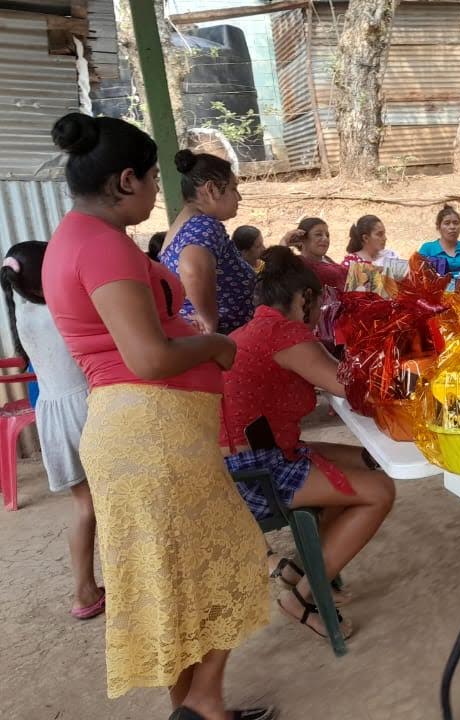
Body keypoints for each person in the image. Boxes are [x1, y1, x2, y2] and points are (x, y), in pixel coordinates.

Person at [43, 113, 271, 718]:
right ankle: (202, 703)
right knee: (236, 556)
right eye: (148, 180)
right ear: (125, 180)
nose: (153, 195)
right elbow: (147, 358)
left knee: (177, 583)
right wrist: (216, 346)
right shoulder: (102, 245)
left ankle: (198, 710)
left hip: (143, 430)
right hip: (150, 432)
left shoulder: (78, 237)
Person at [222, 247, 396, 641]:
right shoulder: (283, 333)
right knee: (379, 491)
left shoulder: (261, 328)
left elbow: (337, 373)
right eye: (320, 303)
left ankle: (306, 569)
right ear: (304, 299)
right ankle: (301, 598)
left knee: (372, 461)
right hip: (252, 470)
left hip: (258, 455)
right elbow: (350, 387)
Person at [2, 241, 102, 620]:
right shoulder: (62, 311)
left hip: (53, 413)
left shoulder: (23, 314)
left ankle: (84, 592)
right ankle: (113, 587)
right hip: (84, 409)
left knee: (84, 506)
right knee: (109, 502)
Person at [159, 151, 257, 335]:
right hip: (224, 340)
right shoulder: (204, 225)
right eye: (233, 189)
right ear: (211, 190)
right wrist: (209, 320)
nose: (239, 197)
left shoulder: (182, 224)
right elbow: (192, 269)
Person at [283, 217, 347, 288]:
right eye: (318, 234)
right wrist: (285, 240)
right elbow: (277, 267)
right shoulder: (298, 264)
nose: (325, 238)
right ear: (303, 238)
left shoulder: (327, 260)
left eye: (327, 235)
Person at [418, 206, 460, 283]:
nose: (452, 227)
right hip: (438, 292)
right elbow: (418, 275)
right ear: (438, 227)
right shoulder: (428, 248)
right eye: (447, 223)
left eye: (456, 223)